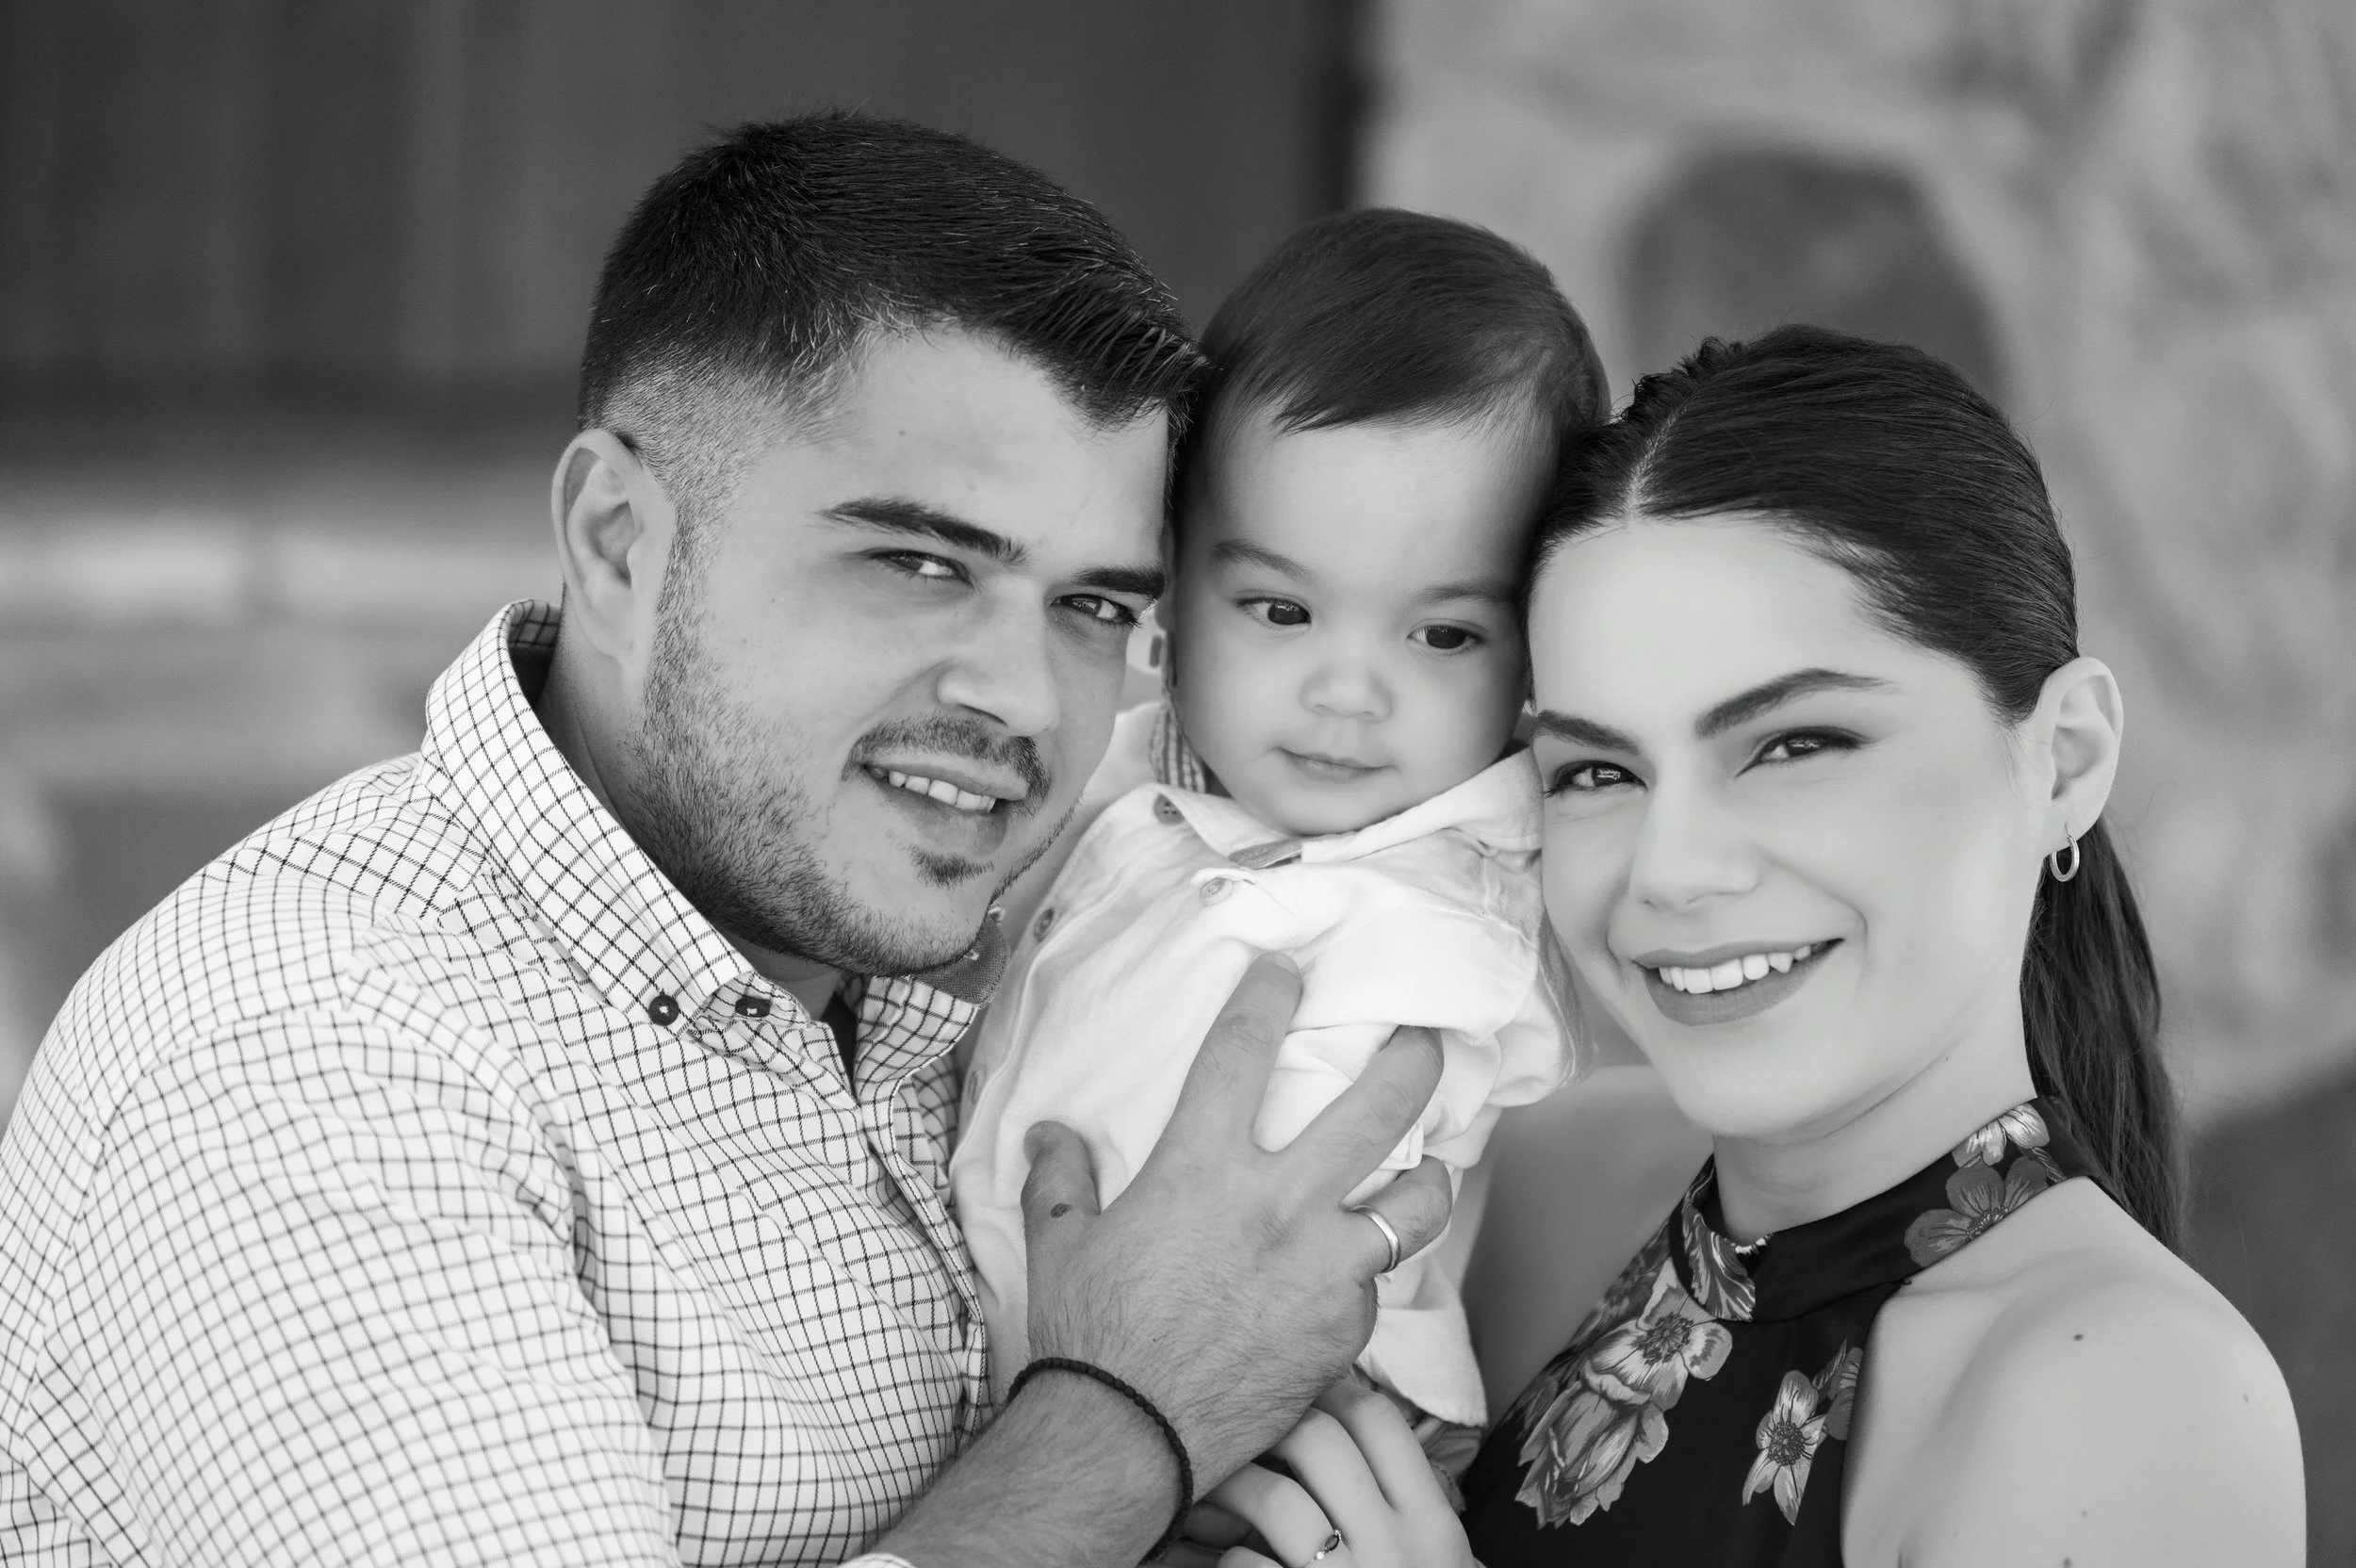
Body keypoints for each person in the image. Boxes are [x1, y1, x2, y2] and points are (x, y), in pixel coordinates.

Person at [0, 114, 1454, 1568]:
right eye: (921, 562)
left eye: (1093, 608)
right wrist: (1128, 1416)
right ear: (620, 543)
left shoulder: (968, 956)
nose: (1026, 698)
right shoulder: (311, 1070)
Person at [1189, 326, 2303, 1567]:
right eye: (1599, 769)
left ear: (2066, 759)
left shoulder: (2129, 1394)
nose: (1671, 870)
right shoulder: (1532, 1178)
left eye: (1794, 745)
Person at [952, 209, 1604, 1458]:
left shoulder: (1433, 942)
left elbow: (1262, 1281)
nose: (1346, 693)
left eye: (1443, 635)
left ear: (1535, 650)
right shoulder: (1140, 774)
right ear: (1171, 585)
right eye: (1279, 608)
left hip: (1271, 1457)